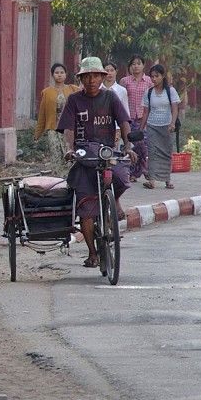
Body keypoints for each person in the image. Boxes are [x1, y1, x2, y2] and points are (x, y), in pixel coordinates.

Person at [57, 57, 138, 268]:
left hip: (107, 153)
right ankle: (93, 253)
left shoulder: (110, 97)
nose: (91, 80)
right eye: (87, 76)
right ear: (81, 79)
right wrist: (69, 149)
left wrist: (128, 146)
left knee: (121, 177)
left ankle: (114, 202)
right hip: (84, 156)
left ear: (102, 77)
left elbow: (124, 122)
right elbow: (68, 128)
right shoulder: (74, 100)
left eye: (95, 76)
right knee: (85, 208)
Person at [139, 64, 180, 189]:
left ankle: (167, 179)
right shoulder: (149, 92)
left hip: (166, 126)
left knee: (166, 152)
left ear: (162, 76)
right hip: (152, 126)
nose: (154, 79)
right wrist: (141, 128)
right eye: (152, 76)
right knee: (152, 152)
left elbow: (175, 109)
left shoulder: (170, 91)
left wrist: (172, 123)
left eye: (157, 76)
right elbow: (146, 112)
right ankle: (151, 180)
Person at [34, 63, 80, 161]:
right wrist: (37, 135)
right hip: (53, 130)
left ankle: (69, 176)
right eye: (57, 73)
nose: (59, 75)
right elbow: (42, 115)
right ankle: (57, 174)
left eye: (62, 72)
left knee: (71, 155)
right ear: (52, 75)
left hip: (69, 130)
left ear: (66, 74)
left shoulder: (73, 89)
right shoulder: (46, 92)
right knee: (56, 157)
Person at [119, 54, 151, 182]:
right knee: (132, 146)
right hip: (129, 117)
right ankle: (133, 172)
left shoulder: (149, 81)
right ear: (130, 66)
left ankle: (144, 169)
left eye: (138, 63)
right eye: (133, 64)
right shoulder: (125, 81)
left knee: (143, 145)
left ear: (143, 65)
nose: (136, 66)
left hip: (144, 118)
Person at [101, 61, 130, 147]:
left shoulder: (122, 90)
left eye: (112, 70)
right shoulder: (98, 90)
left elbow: (125, 112)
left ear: (116, 72)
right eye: (107, 70)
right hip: (99, 127)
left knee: (113, 154)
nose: (109, 73)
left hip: (116, 128)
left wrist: (121, 130)